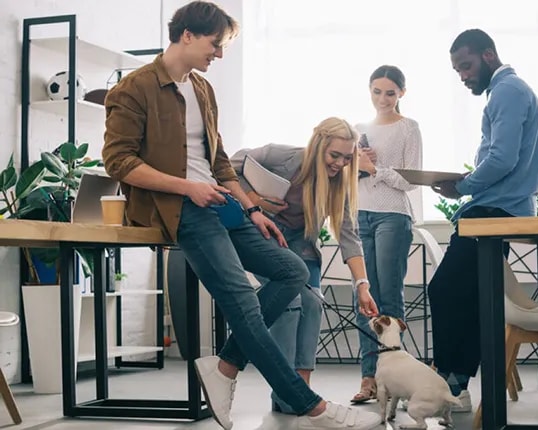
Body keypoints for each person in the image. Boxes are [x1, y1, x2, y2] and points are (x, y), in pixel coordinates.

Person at [101, 2, 381, 429]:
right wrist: (187, 187)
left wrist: (251, 209)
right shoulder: (134, 88)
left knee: (291, 271)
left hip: (220, 205)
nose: (219, 55)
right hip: (181, 209)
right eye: (216, 45)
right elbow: (118, 162)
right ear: (188, 35)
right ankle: (312, 407)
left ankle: (226, 366)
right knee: (245, 304)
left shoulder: (202, 91)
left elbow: (219, 165)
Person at [428, 28, 538, 412]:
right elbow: (535, 165)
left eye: (465, 66)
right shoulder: (514, 92)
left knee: (446, 291)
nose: (463, 76)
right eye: (457, 70)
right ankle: (457, 384)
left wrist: (463, 186)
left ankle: (452, 385)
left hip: (492, 212)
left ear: (488, 55)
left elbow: (501, 160)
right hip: (503, 209)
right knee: (468, 295)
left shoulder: (507, 92)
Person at [229, 117, 379, 414]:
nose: (339, 163)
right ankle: (287, 391)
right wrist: (254, 200)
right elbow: (228, 166)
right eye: (334, 155)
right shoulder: (282, 156)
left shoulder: (340, 184)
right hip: (264, 234)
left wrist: (363, 286)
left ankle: (301, 391)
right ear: (318, 144)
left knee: (313, 305)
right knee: (290, 302)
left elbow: (349, 236)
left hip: (301, 243)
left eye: (347, 158)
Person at [350, 65, 423, 404]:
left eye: (390, 93)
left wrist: (374, 169)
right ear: (369, 90)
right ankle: (369, 379)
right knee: (364, 299)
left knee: (389, 298)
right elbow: (344, 176)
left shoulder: (409, 128)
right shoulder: (358, 130)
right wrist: (356, 166)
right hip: (359, 215)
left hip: (393, 216)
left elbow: (410, 180)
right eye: (377, 91)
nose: (383, 99)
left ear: (401, 94)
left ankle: (396, 381)